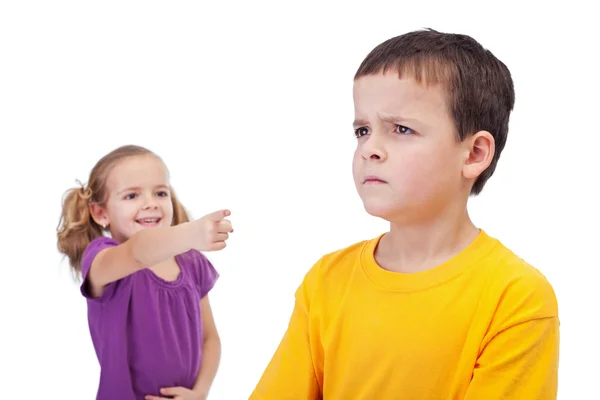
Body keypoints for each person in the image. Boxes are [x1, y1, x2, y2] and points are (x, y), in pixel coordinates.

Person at [250, 29, 559, 399]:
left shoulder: (516, 296)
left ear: (474, 153)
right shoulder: (326, 282)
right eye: (362, 130)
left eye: (401, 129)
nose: (370, 149)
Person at [56, 145, 233, 400]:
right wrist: (190, 233)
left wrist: (200, 392)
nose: (150, 203)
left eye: (160, 193)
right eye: (131, 196)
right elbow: (138, 251)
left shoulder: (191, 263)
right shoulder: (103, 259)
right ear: (101, 213)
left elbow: (210, 339)